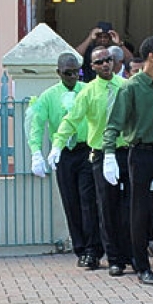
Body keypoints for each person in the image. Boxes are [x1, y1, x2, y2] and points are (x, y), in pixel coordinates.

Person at [103, 36, 153, 286]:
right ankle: (141, 267)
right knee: (138, 212)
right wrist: (108, 154)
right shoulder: (130, 87)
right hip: (140, 153)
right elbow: (114, 123)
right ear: (151, 56)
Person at [51, 44, 130, 275]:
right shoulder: (88, 92)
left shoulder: (125, 86)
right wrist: (57, 143)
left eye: (108, 59)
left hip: (126, 152)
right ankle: (114, 258)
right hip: (102, 154)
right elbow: (72, 119)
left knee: (130, 207)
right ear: (93, 67)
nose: (105, 64)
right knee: (106, 208)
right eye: (100, 62)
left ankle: (131, 254)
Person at [31, 52, 100, 267]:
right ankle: (80, 249)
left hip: (85, 149)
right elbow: (36, 126)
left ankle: (93, 250)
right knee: (71, 202)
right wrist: (36, 153)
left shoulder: (87, 90)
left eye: (76, 72)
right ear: (58, 73)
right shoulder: (48, 96)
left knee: (88, 200)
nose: (73, 77)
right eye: (67, 73)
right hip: (63, 153)